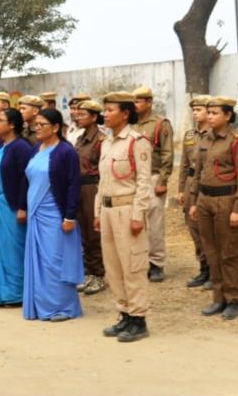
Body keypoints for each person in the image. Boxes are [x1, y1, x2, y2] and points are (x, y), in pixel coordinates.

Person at [188, 96, 238, 320]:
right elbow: (198, 171)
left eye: (215, 113)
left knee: (230, 251)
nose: (210, 116)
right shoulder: (205, 139)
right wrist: (195, 201)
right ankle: (219, 297)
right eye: (209, 112)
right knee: (211, 250)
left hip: (226, 201)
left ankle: (234, 298)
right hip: (205, 199)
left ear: (228, 115)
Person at [96, 92, 153, 342]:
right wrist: (98, 211)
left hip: (127, 209)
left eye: (110, 110)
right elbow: (102, 182)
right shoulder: (107, 143)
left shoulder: (136, 141)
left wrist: (138, 214)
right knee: (113, 266)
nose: (105, 114)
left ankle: (138, 319)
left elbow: (143, 181)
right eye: (105, 110)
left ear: (125, 113)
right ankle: (124, 314)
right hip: (108, 211)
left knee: (133, 265)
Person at [23, 108, 84, 321]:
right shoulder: (36, 149)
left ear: (56, 127)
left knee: (55, 261)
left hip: (55, 214)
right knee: (38, 262)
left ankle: (62, 307)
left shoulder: (65, 152)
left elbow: (73, 185)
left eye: (42, 125)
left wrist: (69, 216)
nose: (37, 128)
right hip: (36, 214)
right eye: (36, 125)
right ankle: (41, 305)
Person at [0, 108, 34, 307]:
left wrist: (23, 206)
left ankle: (16, 292)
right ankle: (0, 292)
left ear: (12, 125)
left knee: (13, 249)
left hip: (11, 206)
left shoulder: (22, 147)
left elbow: (26, 179)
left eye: (1, 120)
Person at [132, 86, 173, 282]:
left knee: (155, 224)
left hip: (153, 176)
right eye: (133, 101)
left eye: (139, 101)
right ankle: (141, 261)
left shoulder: (160, 124)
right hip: (133, 180)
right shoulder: (130, 125)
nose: (135, 105)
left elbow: (167, 153)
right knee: (136, 221)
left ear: (149, 102)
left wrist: (163, 180)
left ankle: (156, 263)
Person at [178, 95, 214, 289]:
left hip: (207, 183)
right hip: (190, 184)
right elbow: (184, 164)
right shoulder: (190, 136)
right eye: (194, 110)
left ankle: (214, 271)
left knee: (207, 230)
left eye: (199, 109)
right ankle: (204, 269)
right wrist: (181, 190)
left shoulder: (214, 134)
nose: (195, 113)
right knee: (194, 229)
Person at [73, 100, 106, 295]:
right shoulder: (80, 139)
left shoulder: (101, 140)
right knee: (83, 232)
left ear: (94, 117)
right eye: (77, 114)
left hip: (92, 187)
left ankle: (99, 275)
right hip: (79, 186)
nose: (77, 116)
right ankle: (89, 273)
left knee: (94, 233)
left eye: (83, 114)